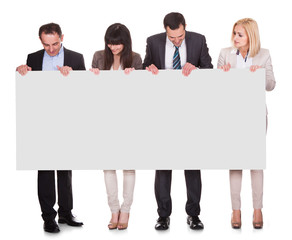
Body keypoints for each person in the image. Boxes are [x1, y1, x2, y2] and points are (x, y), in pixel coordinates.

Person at [143, 12, 213, 230]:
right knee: (163, 165)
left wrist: (197, 69)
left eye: (180, 36)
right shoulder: (153, 42)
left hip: (190, 111)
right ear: (165, 30)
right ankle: (163, 215)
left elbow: (210, 70)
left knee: (192, 164)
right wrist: (149, 69)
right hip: (162, 111)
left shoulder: (198, 40)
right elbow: (143, 69)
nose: (177, 41)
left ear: (185, 27)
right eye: (172, 38)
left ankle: (193, 214)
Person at [16, 23, 85, 233]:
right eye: (47, 45)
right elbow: (28, 86)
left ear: (62, 37)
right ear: (40, 40)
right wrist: (22, 71)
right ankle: (48, 217)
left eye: (55, 43)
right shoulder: (33, 58)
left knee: (65, 170)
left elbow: (86, 90)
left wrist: (73, 76)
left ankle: (65, 212)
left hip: (67, 120)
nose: (52, 49)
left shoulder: (76, 57)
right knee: (45, 171)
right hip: (41, 121)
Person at [217, 18, 276, 229]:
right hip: (232, 115)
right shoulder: (225, 53)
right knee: (235, 163)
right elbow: (216, 87)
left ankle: (258, 209)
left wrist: (259, 74)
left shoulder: (264, 54)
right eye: (234, 33)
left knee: (255, 163)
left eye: (240, 34)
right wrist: (222, 75)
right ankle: (236, 210)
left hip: (255, 114)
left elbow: (271, 85)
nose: (235, 38)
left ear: (251, 35)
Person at [90, 23, 142, 230]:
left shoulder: (136, 58)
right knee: (108, 166)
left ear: (126, 42)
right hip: (105, 119)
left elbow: (142, 92)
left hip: (129, 119)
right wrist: (93, 76)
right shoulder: (99, 56)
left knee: (128, 167)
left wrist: (134, 77)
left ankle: (126, 210)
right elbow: (92, 90)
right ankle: (114, 210)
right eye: (110, 43)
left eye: (117, 43)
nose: (113, 47)